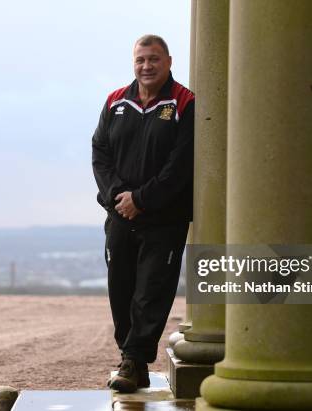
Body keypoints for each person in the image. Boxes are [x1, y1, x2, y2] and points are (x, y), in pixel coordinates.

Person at [92, 34, 194, 393]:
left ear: (168, 61)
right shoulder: (115, 102)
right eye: (140, 60)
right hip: (120, 216)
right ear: (133, 63)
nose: (146, 66)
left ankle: (133, 361)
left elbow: (181, 165)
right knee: (120, 289)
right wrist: (119, 197)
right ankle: (131, 359)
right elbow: (100, 153)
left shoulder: (185, 103)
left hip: (164, 219)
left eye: (153, 59)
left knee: (151, 292)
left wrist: (143, 199)